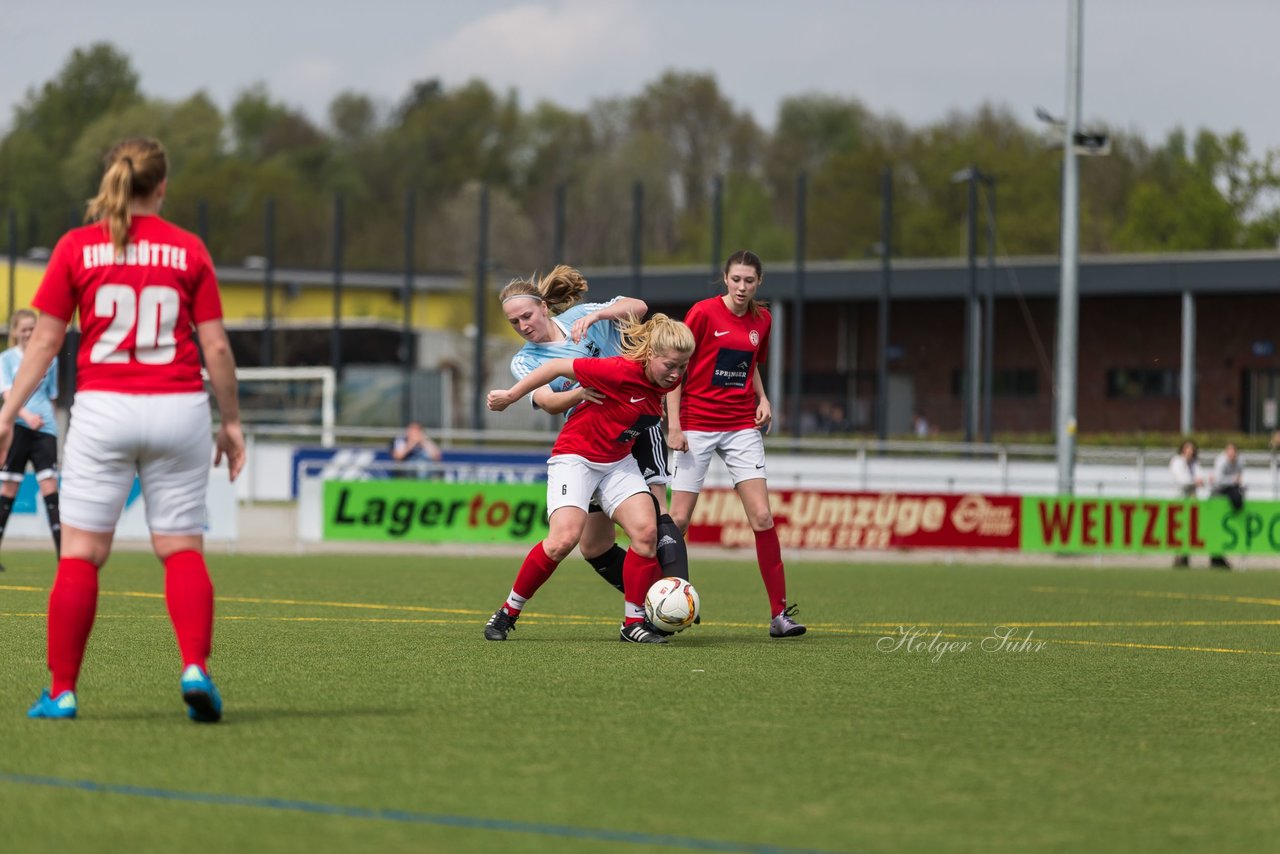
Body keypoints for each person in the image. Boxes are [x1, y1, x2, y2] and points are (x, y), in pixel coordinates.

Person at [3, 137, 245, 722]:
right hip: (179, 408)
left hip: (104, 409)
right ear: (161, 186)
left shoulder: (77, 247)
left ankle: (62, 691)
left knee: (81, 553)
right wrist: (231, 421)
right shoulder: (188, 248)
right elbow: (214, 344)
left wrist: (6, 412)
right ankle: (194, 668)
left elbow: (45, 341)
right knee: (181, 548)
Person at [485, 313, 694, 644]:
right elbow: (554, 369)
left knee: (645, 532)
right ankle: (508, 612)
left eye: (682, 367)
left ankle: (633, 622)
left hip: (617, 462)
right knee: (563, 540)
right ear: (651, 355)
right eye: (670, 365)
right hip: (576, 458)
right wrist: (511, 397)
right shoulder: (619, 371)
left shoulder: (665, 379)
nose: (676, 373)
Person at [666, 250, 806, 638]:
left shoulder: (764, 319)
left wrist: (762, 399)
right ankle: (667, 604)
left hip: (742, 426)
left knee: (762, 517)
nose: (742, 287)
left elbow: (751, 366)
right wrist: (674, 425)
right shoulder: (702, 314)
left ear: (759, 282)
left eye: (750, 281)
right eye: (736, 279)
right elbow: (676, 370)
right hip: (696, 426)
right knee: (677, 521)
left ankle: (780, 615)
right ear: (724, 279)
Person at [0, 309, 62, 569]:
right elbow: (8, 392)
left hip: (44, 429)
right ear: (15, 332)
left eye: (32, 329)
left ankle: (64, 553)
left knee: (49, 486)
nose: (28, 333)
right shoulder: (6, 359)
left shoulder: (50, 358)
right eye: (24, 329)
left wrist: (44, 419)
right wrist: (25, 414)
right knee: (10, 488)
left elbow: (52, 394)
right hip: (18, 427)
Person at [1168, 439, 1206, 569]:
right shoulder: (1177, 462)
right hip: (1179, 500)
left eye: (1192, 449)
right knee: (1178, 530)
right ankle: (1178, 557)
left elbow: (1202, 477)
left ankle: (1185, 557)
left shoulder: (1195, 463)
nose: (1190, 451)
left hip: (1191, 501)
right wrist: (1196, 482)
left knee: (1190, 530)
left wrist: (1198, 481)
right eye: (1187, 448)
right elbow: (1182, 481)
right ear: (1182, 450)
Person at [1210, 442, 1245, 569]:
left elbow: (1240, 480)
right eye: (1229, 452)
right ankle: (1215, 558)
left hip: (1230, 493)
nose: (1232, 455)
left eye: (1234, 452)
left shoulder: (1240, 462)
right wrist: (1233, 480)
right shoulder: (1221, 462)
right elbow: (1218, 481)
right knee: (1215, 528)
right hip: (1217, 495)